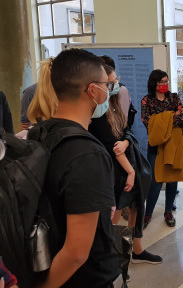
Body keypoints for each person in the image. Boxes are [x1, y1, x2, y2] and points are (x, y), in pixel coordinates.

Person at [27, 49, 121, 287]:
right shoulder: (86, 153)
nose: (109, 90)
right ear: (92, 90)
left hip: (46, 259)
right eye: (106, 84)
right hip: (83, 279)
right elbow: (77, 252)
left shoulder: (40, 132)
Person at [89, 64, 162, 265]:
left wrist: (127, 141)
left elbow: (125, 131)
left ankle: (135, 249)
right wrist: (129, 169)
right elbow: (112, 145)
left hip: (128, 164)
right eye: (110, 82)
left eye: (115, 80)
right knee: (115, 214)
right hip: (114, 169)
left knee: (137, 206)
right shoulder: (96, 111)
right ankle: (114, 256)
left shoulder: (113, 103)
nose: (115, 85)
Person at [141, 69, 183, 228]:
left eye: (166, 81)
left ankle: (168, 211)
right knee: (155, 180)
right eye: (161, 82)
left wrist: (161, 122)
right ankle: (147, 214)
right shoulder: (147, 100)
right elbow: (147, 121)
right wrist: (169, 117)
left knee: (172, 178)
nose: (164, 85)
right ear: (154, 83)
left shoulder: (173, 97)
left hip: (173, 144)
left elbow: (182, 115)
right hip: (156, 146)